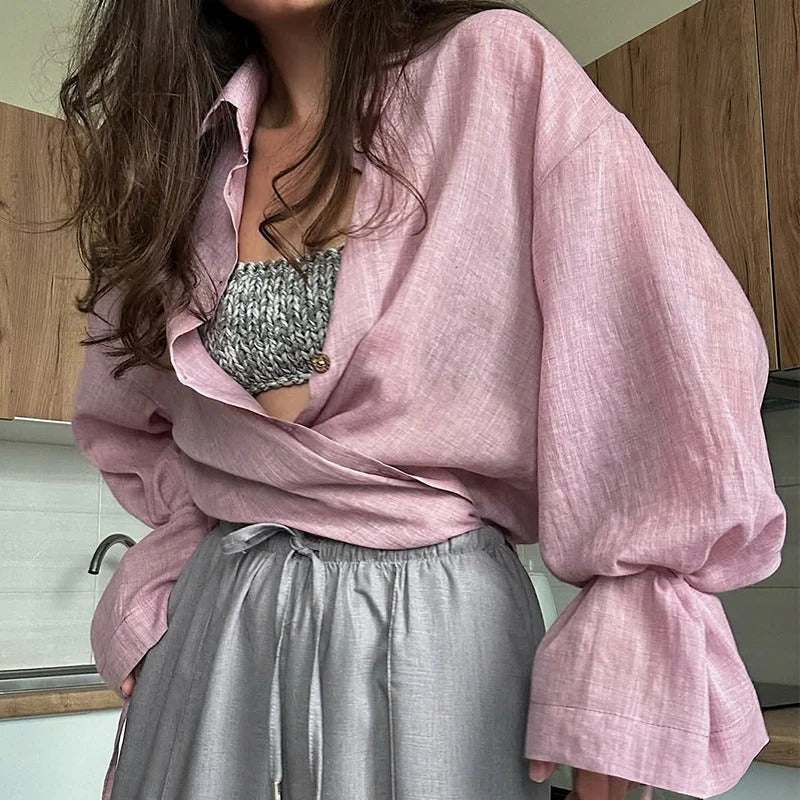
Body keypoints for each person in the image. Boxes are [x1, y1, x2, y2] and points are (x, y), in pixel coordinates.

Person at [59, 1, 786, 799]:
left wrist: (628, 645)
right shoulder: (181, 164)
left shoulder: (497, 70)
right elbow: (132, 425)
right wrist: (174, 561)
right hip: (209, 643)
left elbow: (670, 354)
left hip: (436, 647)